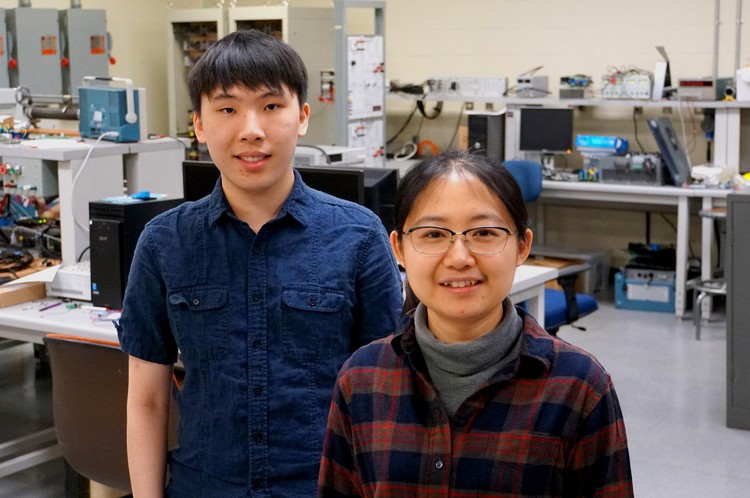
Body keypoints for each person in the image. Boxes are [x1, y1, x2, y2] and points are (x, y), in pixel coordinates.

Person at [116, 29, 404, 497]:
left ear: (303, 117)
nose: (251, 129)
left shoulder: (358, 235)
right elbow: (147, 400)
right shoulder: (165, 241)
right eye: (227, 109)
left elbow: (385, 398)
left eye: (271, 106)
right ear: (200, 126)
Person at [319, 150, 633, 497]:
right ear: (399, 249)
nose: (459, 258)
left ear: (521, 246)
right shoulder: (361, 379)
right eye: (434, 234)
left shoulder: (580, 387)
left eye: (484, 233)